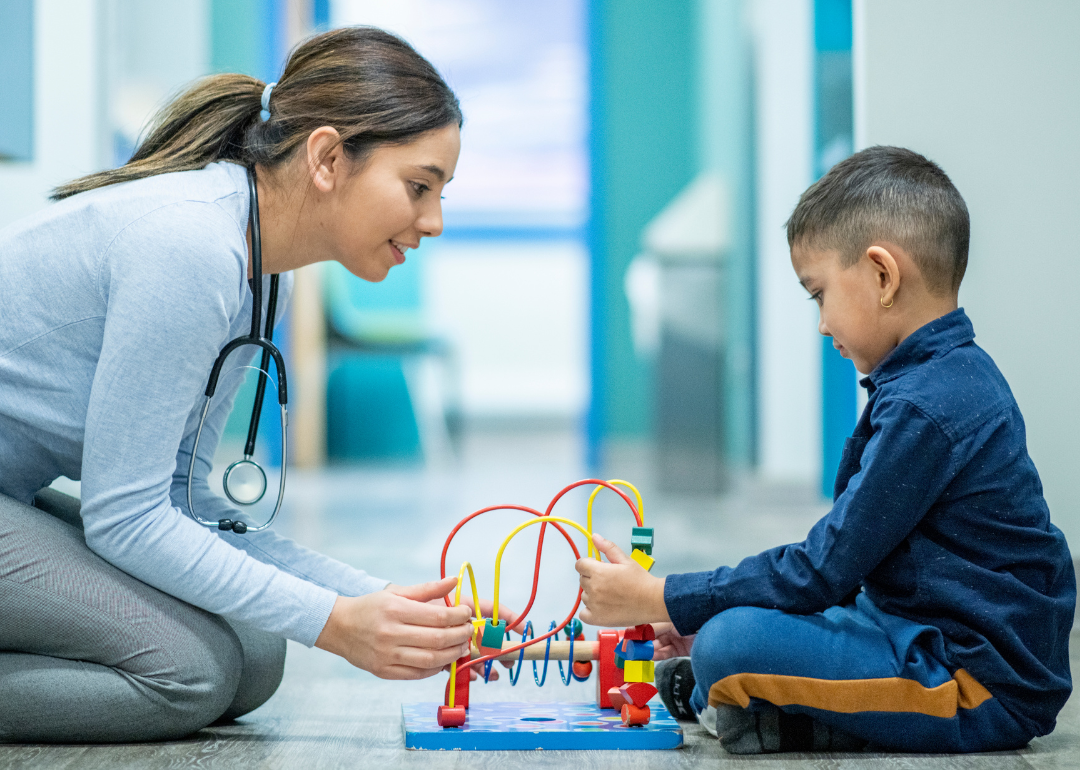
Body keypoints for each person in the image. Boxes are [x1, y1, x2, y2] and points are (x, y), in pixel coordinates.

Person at [0, 27, 508, 744]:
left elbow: (180, 499)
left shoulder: (263, 271)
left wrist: (375, 602)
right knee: (186, 676)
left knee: (256, 654)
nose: (434, 221)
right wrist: (337, 626)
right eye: (419, 187)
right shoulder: (188, 247)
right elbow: (125, 516)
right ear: (328, 158)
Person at [576, 146, 1075, 753]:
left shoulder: (928, 405)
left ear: (883, 276)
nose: (821, 324)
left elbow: (821, 568)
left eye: (819, 295)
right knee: (729, 634)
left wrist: (666, 598)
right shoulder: (935, 381)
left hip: (975, 682)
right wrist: (694, 611)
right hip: (916, 630)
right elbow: (843, 571)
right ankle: (758, 704)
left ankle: (746, 695)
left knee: (727, 644)